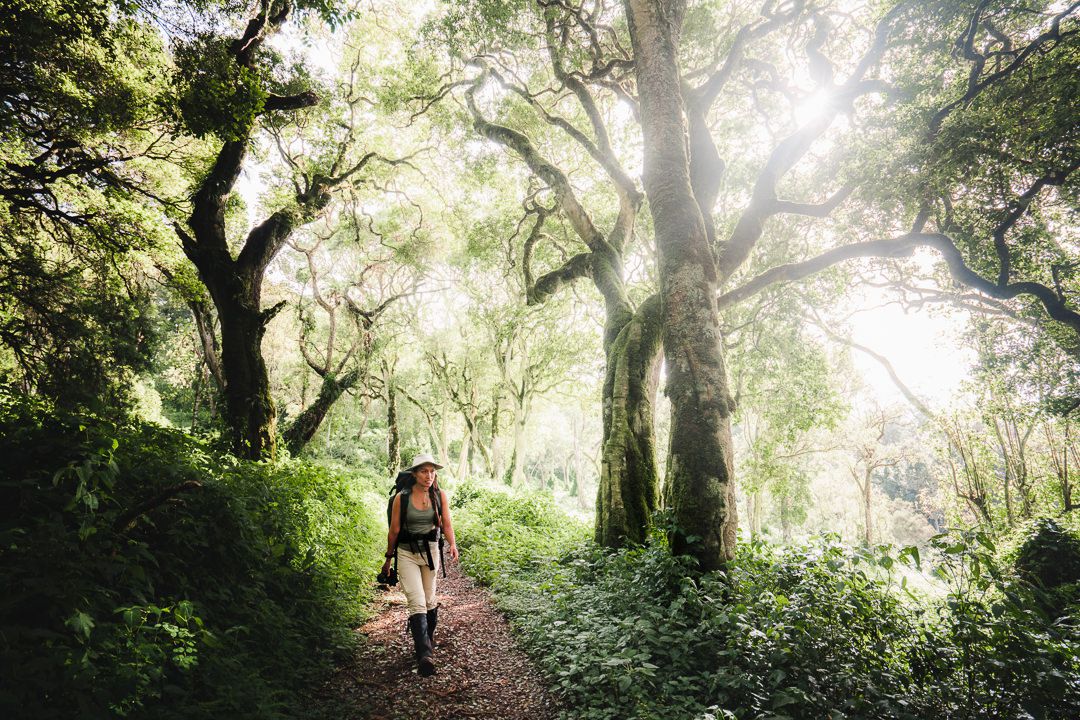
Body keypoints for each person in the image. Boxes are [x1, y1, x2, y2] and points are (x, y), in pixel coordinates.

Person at [381, 453, 459, 676]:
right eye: (424, 471)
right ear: (414, 474)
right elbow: (394, 530)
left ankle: (427, 641)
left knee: (429, 600)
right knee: (416, 602)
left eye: (432, 471)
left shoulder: (439, 495)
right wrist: (388, 559)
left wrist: (452, 544)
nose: (429, 475)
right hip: (406, 553)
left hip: (431, 552)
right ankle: (424, 654)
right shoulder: (401, 498)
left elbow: (447, 524)